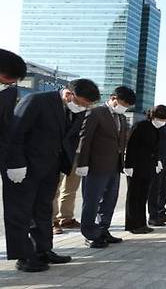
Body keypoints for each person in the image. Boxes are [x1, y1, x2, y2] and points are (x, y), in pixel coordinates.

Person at [3, 78, 100, 272]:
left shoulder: (77, 110)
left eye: (87, 106)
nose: (83, 108)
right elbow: (15, 132)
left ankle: (43, 250)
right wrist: (15, 164)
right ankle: (23, 256)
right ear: (69, 94)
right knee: (20, 212)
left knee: (44, 210)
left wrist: (67, 162)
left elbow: (70, 138)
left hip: (50, 168)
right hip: (24, 168)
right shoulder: (37, 101)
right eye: (81, 103)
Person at [77, 86, 135, 248]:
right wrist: (82, 163)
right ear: (114, 98)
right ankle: (89, 233)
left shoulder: (122, 118)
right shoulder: (96, 113)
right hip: (95, 165)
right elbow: (85, 138)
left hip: (114, 166)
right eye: (124, 103)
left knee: (110, 200)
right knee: (92, 201)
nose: (125, 107)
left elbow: (122, 142)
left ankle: (103, 230)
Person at [125, 105, 166, 233]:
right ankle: (133, 225)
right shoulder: (141, 126)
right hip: (136, 166)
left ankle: (141, 223)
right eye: (161, 119)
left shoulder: (155, 129)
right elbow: (131, 146)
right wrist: (128, 165)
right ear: (153, 116)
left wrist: (157, 162)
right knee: (134, 196)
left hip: (148, 167)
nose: (163, 122)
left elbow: (155, 149)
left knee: (143, 196)